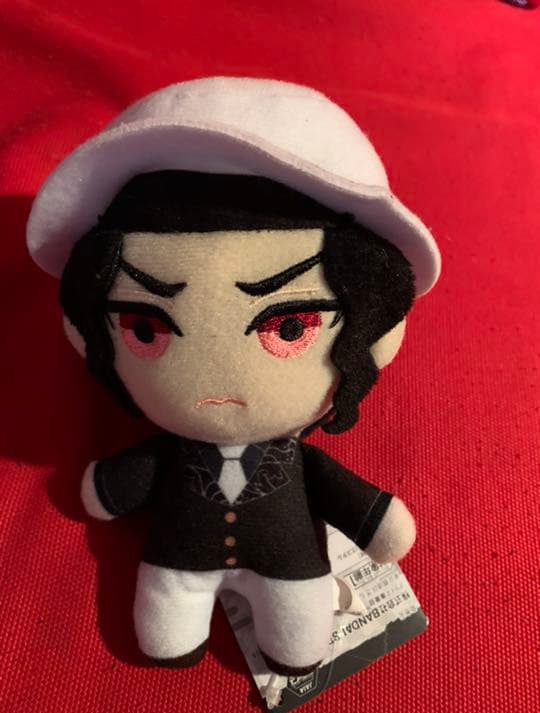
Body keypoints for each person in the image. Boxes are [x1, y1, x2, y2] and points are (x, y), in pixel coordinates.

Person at [26, 77, 440, 675]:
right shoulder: (170, 449)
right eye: (145, 327)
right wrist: (109, 488)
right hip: (176, 563)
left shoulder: (296, 459)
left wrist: (376, 521)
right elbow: (123, 484)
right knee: (167, 631)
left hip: (291, 569)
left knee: (298, 637)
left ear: (373, 334)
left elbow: (338, 492)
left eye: (290, 327)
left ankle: (289, 641)